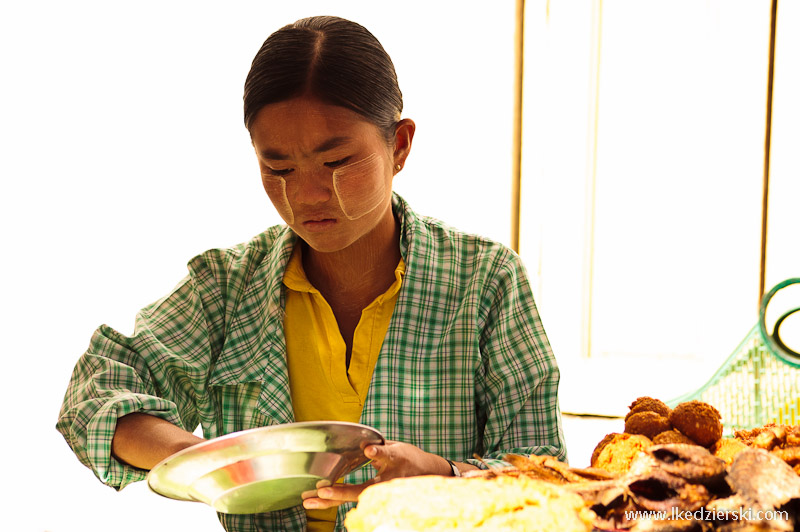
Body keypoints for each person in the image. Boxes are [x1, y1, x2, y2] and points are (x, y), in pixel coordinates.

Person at [56, 15, 567, 532]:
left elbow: (549, 475)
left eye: (337, 161)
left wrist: (446, 477)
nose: (305, 196)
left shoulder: (484, 281)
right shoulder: (226, 289)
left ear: (400, 146)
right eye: (277, 169)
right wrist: (210, 459)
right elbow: (96, 392)